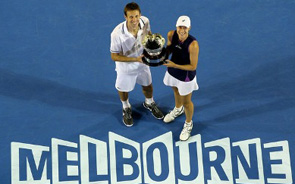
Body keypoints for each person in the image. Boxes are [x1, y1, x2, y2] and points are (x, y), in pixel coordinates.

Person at [110, 2, 164, 127]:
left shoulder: (145, 21)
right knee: (123, 90)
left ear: (140, 15)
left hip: (143, 63)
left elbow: (148, 35)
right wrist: (135, 59)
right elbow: (114, 56)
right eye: (131, 17)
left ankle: (149, 102)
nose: (134, 20)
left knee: (148, 86)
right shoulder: (117, 34)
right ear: (125, 17)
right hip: (125, 68)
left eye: (136, 16)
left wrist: (152, 48)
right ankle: (126, 107)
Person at [163, 15, 199, 141]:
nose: (182, 30)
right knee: (175, 90)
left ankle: (189, 123)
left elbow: (193, 66)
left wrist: (175, 65)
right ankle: (178, 109)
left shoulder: (193, 45)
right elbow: (169, 48)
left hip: (186, 75)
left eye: (185, 27)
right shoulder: (171, 34)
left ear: (189, 28)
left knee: (187, 102)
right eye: (180, 27)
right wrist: (161, 54)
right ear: (176, 26)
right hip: (173, 70)